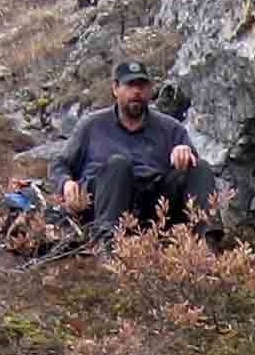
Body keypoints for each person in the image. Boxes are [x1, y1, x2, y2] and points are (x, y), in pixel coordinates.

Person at [54, 60, 208, 243]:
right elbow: (59, 165)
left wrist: (185, 153)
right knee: (118, 164)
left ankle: (208, 243)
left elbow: (194, 174)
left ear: (149, 90)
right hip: (104, 205)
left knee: (200, 167)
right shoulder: (91, 125)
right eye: (130, 85)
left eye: (142, 86)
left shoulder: (170, 128)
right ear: (115, 88)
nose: (136, 91)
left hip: (152, 205)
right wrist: (66, 183)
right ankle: (108, 245)